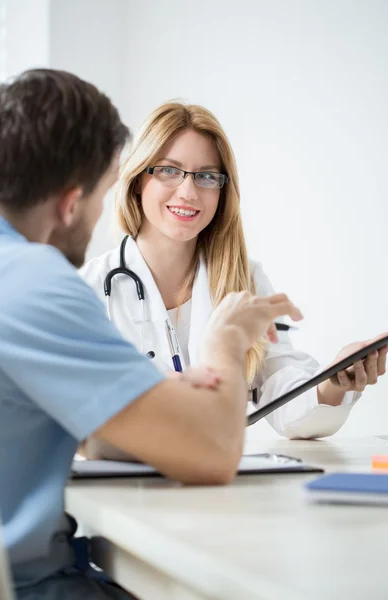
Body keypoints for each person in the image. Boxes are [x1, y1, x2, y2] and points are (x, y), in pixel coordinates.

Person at [0, 69, 302, 600]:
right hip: (33, 584)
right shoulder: (37, 282)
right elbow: (210, 453)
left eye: (207, 176)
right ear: (71, 200)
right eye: (106, 192)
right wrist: (224, 344)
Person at [80, 100, 387, 459]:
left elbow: (279, 386)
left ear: (222, 191)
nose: (188, 192)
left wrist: (333, 382)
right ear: (136, 182)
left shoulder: (245, 279)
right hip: (120, 492)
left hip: (217, 486)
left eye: (206, 176)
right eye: (169, 171)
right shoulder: (89, 287)